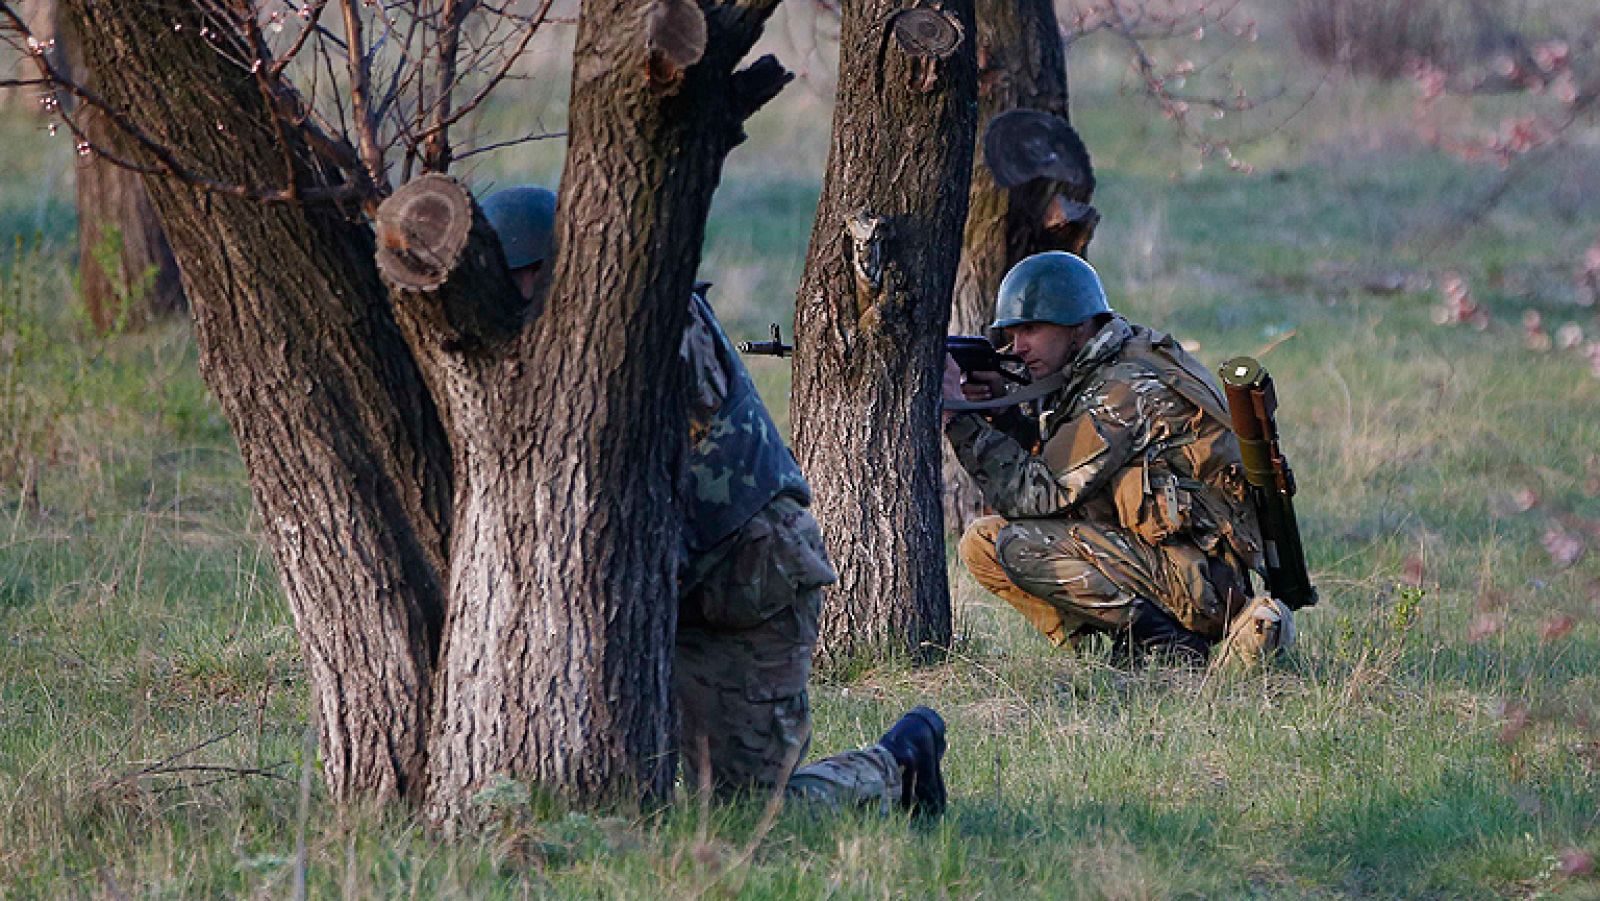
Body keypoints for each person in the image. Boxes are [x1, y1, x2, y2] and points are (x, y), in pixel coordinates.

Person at [482, 185, 948, 816]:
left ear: (547, 270)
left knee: (746, 813)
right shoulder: (561, 341)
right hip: (672, 587)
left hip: (748, 587)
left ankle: (896, 768)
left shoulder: (654, 325)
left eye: (513, 279)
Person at [942, 250, 1291, 664]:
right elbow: (1066, 470)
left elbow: (1035, 494)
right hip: (1175, 563)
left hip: (1202, 582)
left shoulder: (1123, 389)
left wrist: (956, 418)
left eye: (1031, 329)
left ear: (1076, 324)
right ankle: (1121, 642)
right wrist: (1005, 415)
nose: (1017, 348)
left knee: (1017, 544)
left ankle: (1172, 647)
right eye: (1013, 333)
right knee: (981, 542)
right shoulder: (1113, 360)